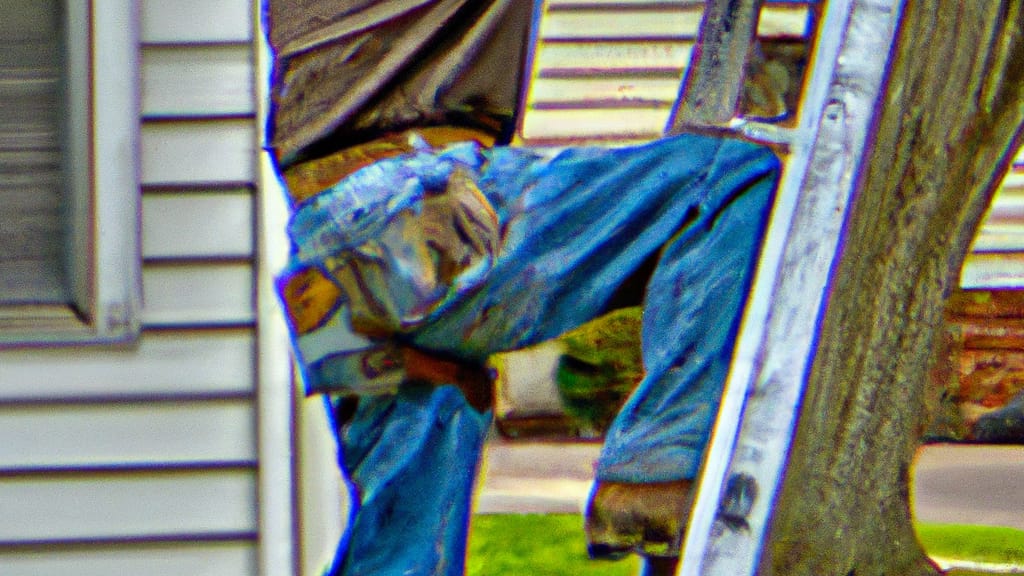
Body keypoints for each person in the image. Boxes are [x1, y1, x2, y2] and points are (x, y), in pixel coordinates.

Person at [264, 2, 781, 574]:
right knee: (729, 178)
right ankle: (654, 473)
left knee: (403, 552)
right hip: (414, 205)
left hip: (322, 259)